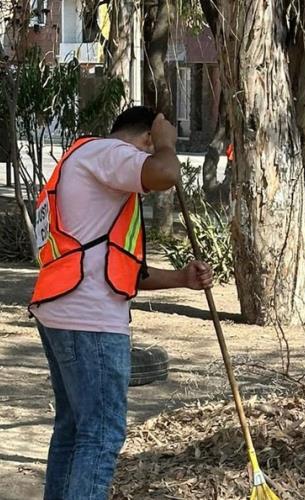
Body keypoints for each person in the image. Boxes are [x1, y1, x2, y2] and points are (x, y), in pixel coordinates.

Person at [29, 106, 214, 499]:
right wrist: (166, 142)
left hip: (61, 309)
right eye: (150, 146)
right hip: (89, 321)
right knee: (101, 434)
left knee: (74, 430)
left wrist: (182, 278)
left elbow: (121, 268)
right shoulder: (108, 153)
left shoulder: (86, 163)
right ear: (144, 140)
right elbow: (165, 174)